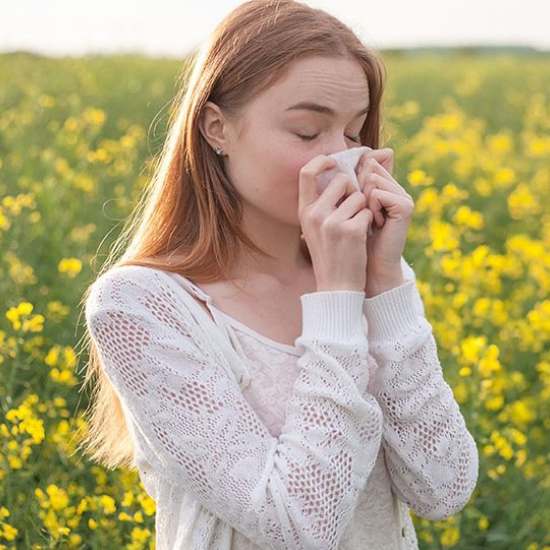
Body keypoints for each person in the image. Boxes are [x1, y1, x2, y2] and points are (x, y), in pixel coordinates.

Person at [78, 1, 479, 548]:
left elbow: (443, 488)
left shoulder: (370, 276)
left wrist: (384, 287)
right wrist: (338, 299)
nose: (340, 160)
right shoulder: (140, 307)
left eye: (354, 132)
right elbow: (297, 526)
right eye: (308, 131)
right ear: (217, 128)